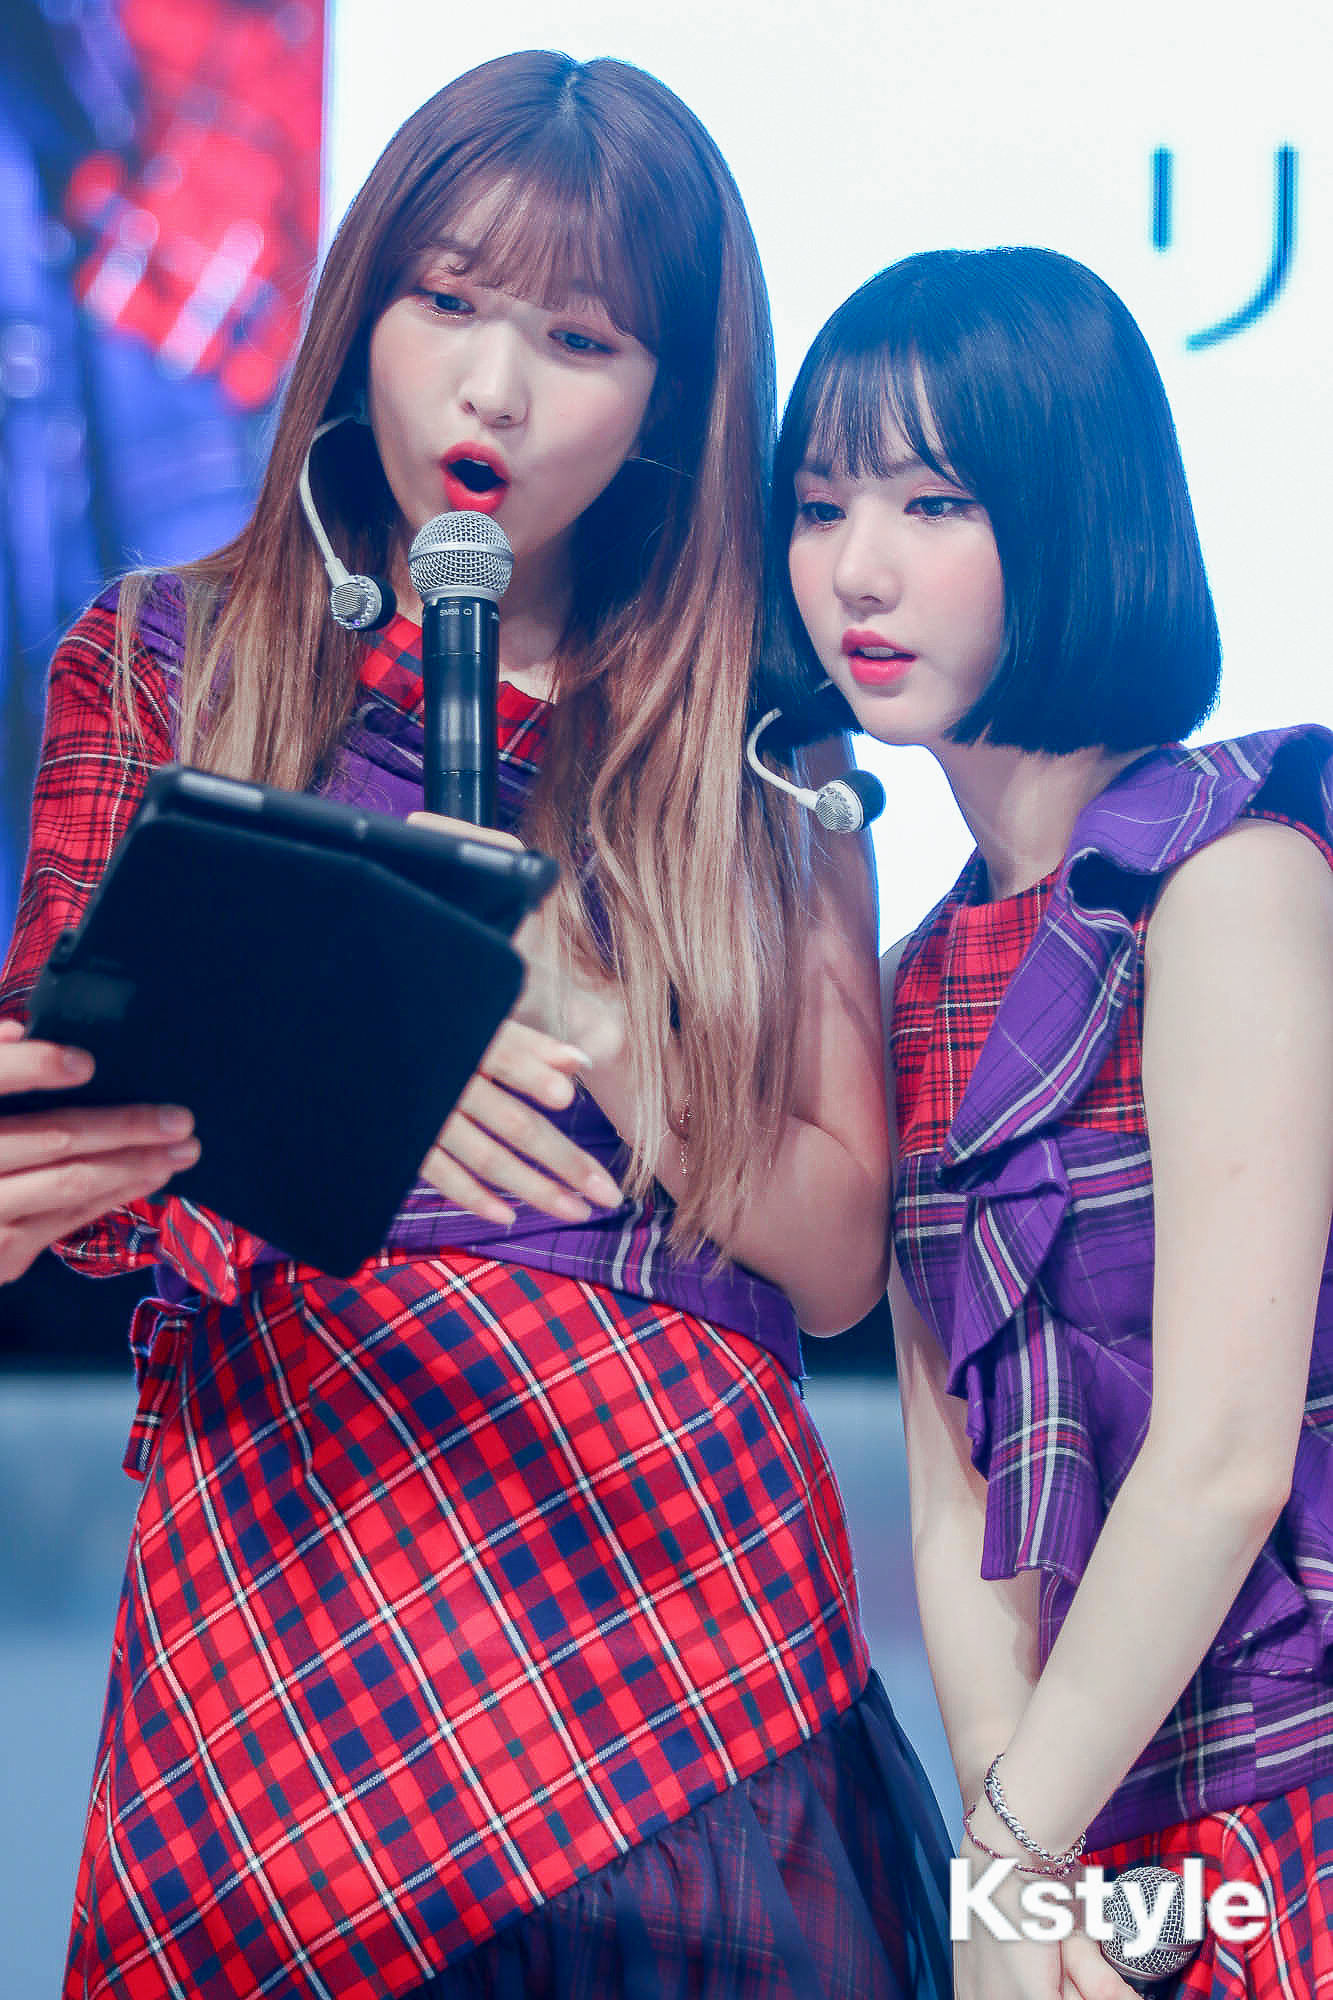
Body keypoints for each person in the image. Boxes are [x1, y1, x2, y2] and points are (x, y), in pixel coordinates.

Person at [0, 52, 953, 2000]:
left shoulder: (760, 740)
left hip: (676, 1627)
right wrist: (313, 1079)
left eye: (579, 339)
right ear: (361, 305)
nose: (493, 391)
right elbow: (68, 1159)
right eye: (446, 301)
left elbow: (839, 1252)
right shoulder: (169, 660)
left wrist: (591, 1025)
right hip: (295, 1593)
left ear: (671, 397)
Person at [767, 244, 1333, 1999]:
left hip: (1293, 1775)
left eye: (932, 502)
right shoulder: (913, 975)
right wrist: (1012, 1857)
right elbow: (958, 1497)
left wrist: (1011, 1849)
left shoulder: (1227, 871)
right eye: (818, 505)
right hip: (1090, 1820)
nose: (856, 568)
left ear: (1076, 513)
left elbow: (1226, 1453)